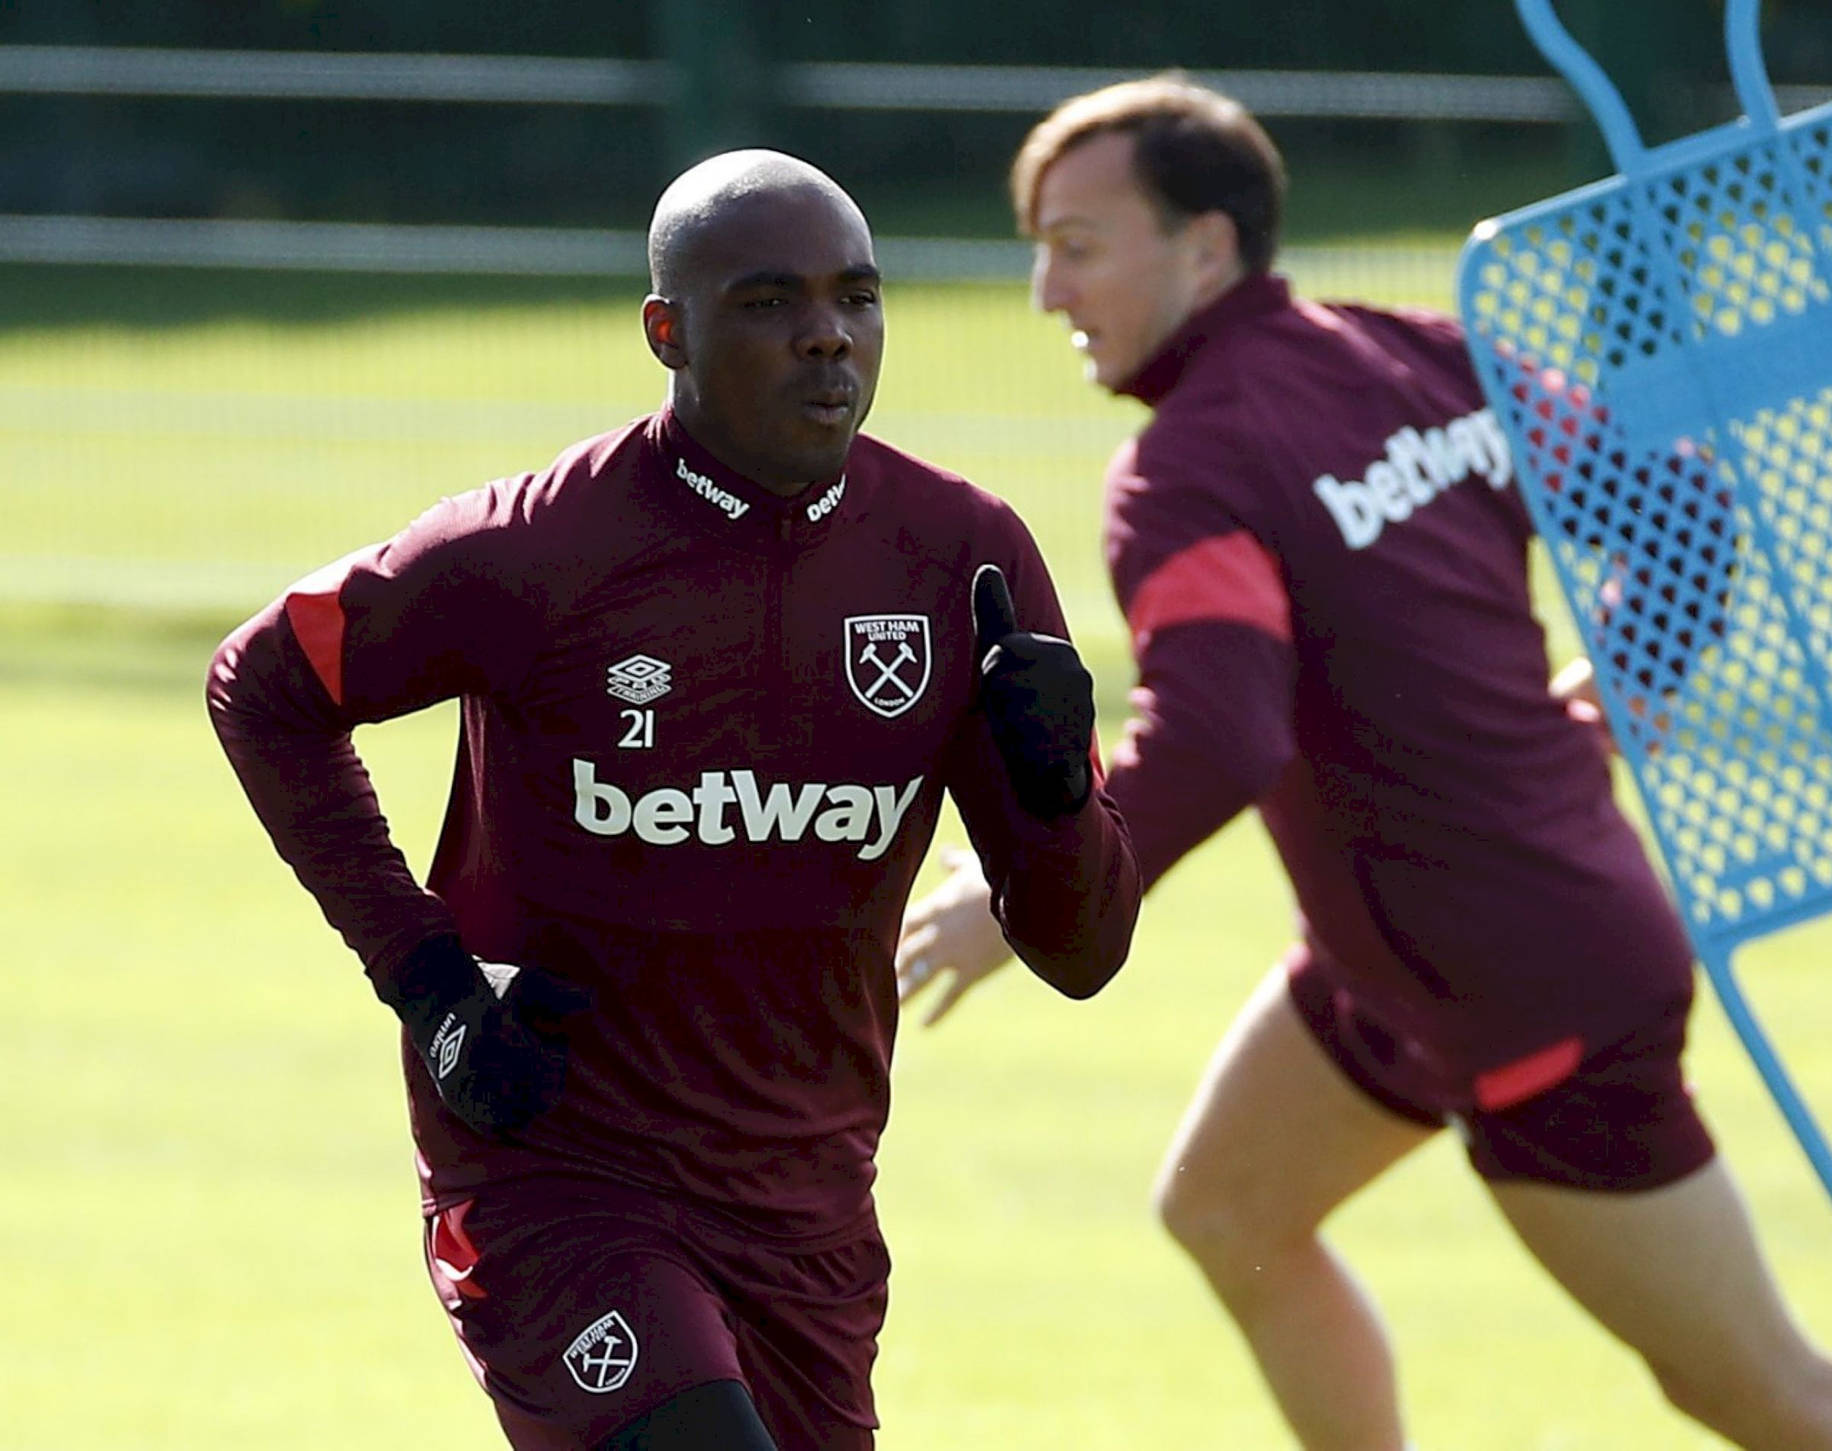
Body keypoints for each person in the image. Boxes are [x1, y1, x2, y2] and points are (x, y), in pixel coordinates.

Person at [895, 76, 1832, 1451]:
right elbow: (1678, 511)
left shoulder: (1186, 472)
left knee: (1751, 1388)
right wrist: (1634, 685)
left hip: (1522, 989)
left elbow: (1214, 734)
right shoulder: (1432, 357)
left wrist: (1025, 886)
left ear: (1207, 246)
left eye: (1077, 245)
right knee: (1229, 1208)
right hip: (1424, 959)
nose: (1042, 290)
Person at [207, 148, 1139, 1451]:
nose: (828, 338)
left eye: (857, 299)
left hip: (806, 1212)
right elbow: (261, 684)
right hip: (557, 1180)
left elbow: (1084, 954)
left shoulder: (961, 557)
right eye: (768, 303)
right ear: (668, 332)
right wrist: (430, 989)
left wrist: (1051, 799)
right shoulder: (533, 550)